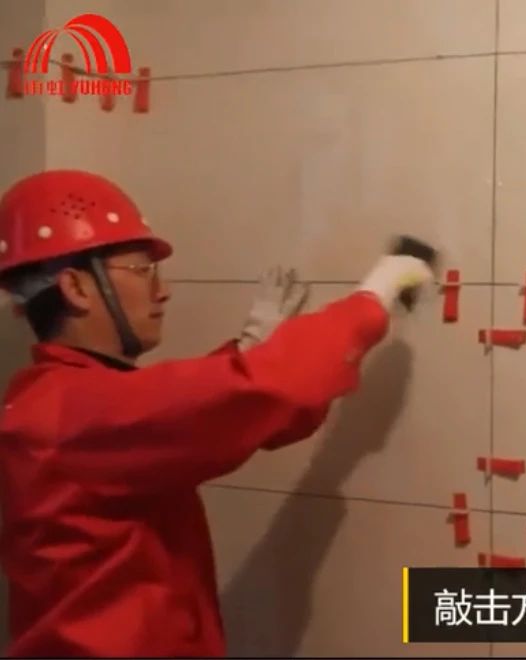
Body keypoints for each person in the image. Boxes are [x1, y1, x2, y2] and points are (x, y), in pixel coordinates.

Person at [0, 169, 435, 656]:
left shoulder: (56, 401)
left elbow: (184, 412)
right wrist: (373, 298)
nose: (162, 290)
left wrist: (248, 350)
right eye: (143, 270)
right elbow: (268, 391)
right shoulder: (71, 414)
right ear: (77, 288)